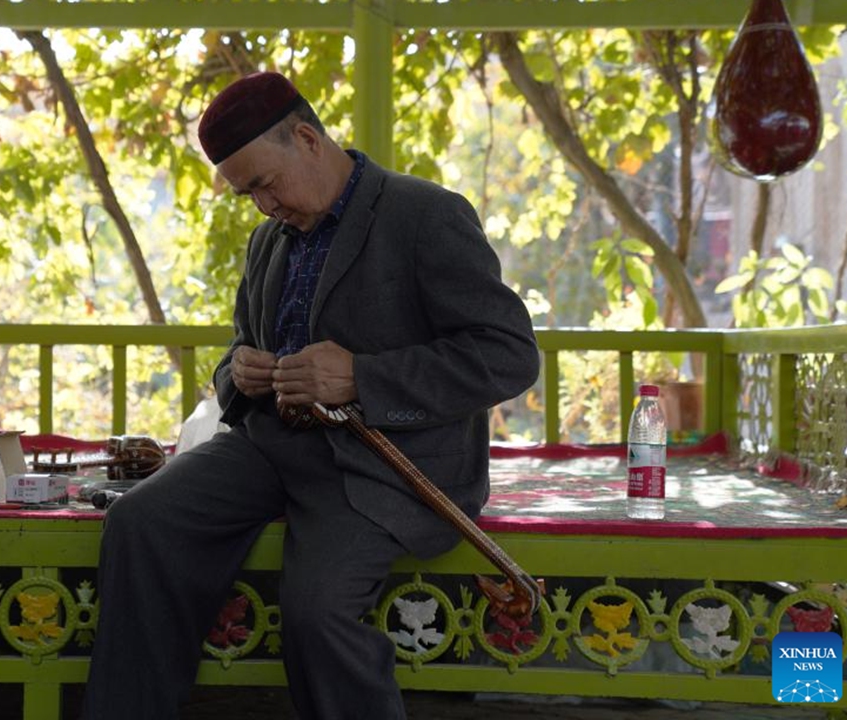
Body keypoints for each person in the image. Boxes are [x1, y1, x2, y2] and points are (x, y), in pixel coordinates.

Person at [80, 71, 540, 720]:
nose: (264, 207)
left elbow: (508, 354)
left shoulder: (425, 215)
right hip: (270, 447)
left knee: (317, 613)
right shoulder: (270, 239)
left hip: (381, 461)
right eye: (248, 195)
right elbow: (239, 347)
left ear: (306, 138)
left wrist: (362, 377)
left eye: (264, 184)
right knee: (140, 522)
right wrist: (237, 374)